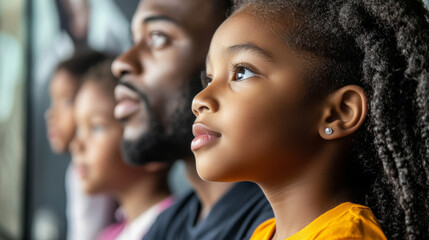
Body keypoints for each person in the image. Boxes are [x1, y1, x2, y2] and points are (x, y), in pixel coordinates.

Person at [192, 0, 429, 239]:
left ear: (339, 113)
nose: (199, 99)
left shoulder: (347, 236)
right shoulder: (264, 233)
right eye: (210, 79)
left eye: (241, 72)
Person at [111, 0, 273, 239]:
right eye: (134, 40)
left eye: (158, 37)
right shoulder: (167, 225)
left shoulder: (280, 222)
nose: (121, 63)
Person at [69, 59, 173, 240]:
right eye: (78, 128)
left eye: (96, 127)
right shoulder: (107, 236)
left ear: (154, 145)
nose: (76, 145)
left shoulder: (178, 229)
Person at [45, 51, 116, 240]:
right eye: (53, 100)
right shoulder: (78, 172)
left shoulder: (88, 171)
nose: (51, 114)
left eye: (66, 101)